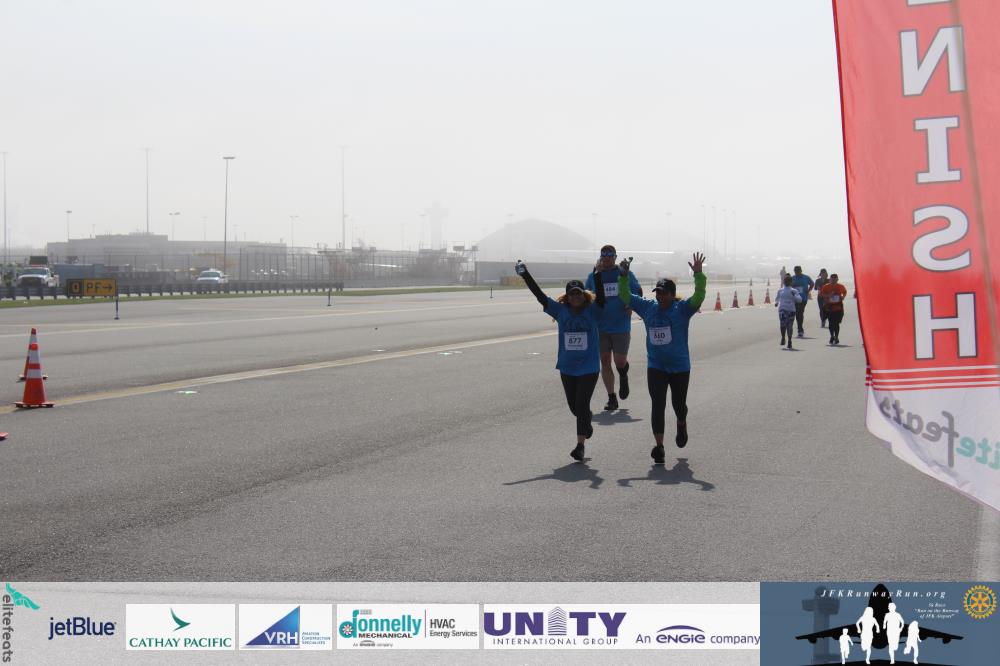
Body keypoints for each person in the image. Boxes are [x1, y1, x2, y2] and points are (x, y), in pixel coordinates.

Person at [515, 260, 610, 461]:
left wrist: (598, 275)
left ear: (584, 295)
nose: (575, 296)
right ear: (567, 297)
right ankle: (586, 420)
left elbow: (601, 298)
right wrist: (525, 275)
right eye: (572, 294)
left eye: (578, 293)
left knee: (581, 404)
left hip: (589, 368)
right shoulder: (560, 311)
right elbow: (540, 296)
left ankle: (580, 446)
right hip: (567, 367)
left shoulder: (593, 311)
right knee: (575, 408)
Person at [620, 252, 706, 463]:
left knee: (678, 404)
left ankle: (681, 423)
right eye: (657, 292)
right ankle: (659, 446)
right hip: (656, 366)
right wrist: (623, 276)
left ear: (672, 294)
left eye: (664, 293)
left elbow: (699, 297)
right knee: (658, 404)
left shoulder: (682, 309)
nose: (660, 296)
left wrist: (698, 275)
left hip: (679, 367)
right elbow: (626, 297)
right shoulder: (648, 307)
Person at [585, 244, 642, 412]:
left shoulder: (624, 273)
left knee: (619, 361)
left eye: (610, 256)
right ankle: (611, 397)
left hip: (620, 324)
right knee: (604, 361)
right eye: (604, 256)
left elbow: (637, 291)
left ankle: (623, 374)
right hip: (600, 326)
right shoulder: (593, 275)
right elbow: (586, 295)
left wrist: (631, 305)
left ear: (615, 257)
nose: (606, 259)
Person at [819, 273, 848, 345]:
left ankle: (836, 336)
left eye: (835, 280)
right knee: (831, 323)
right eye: (832, 280)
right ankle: (832, 336)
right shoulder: (826, 286)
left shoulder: (840, 286)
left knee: (837, 323)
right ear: (830, 280)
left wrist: (843, 296)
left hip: (838, 307)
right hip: (829, 308)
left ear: (837, 279)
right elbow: (821, 294)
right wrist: (828, 295)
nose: (833, 281)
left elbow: (845, 292)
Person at [775, 275, 802, 349]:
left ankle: (790, 340)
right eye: (786, 281)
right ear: (784, 282)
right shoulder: (780, 290)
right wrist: (776, 303)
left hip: (791, 310)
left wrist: (795, 296)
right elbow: (777, 298)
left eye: (788, 281)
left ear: (791, 282)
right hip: (782, 309)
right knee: (782, 324)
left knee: (789, 326)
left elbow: (799, 300)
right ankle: (783, 337)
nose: (787, 282)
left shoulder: (794, 291)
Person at [790, 265, 814, 337]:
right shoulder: (792, 278)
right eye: (795, 271)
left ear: (801, 270)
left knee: (799, 313)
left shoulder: (806, 277)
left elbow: (812, 284)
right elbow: (789, 286)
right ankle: (799, 329)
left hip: (803, 298)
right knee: (797, 313)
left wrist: (808, 290)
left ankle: (800, 329)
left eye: (798, 271)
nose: (797, 272)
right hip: (794, 298)